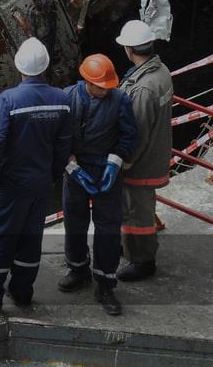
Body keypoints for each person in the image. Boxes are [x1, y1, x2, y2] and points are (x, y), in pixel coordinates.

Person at [0, 37, 72, 311]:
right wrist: (50, 175)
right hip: (41, 184)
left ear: (20, 68)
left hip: (11, 186)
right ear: (45, 67)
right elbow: (63, 146)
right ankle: (22, 292)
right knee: (31, 239)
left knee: (1, 238)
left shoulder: (9, 100)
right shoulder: (62, 100)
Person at [58, 54, 137, 315]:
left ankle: (105, 284)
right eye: (101, 87)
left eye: (108, 87)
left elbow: (129, 135)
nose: (106, 90)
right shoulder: (67, 97)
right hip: (76, 169)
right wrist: (69, 164)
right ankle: (78, 268)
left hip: (105, 170)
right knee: (74, 221)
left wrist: (115, 162)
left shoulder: (120, 100)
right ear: (87, 82)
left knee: (108, 228)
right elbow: (56, 137)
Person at [114, 19, 174, 282]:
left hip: (141, 163)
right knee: (139, 209)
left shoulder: (143, 88)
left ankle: (143, 261)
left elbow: (136, 134)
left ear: (129, 49)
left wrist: (123, 162)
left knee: (136, 213)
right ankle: (129, 248)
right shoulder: (161, 72)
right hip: (155, 154)